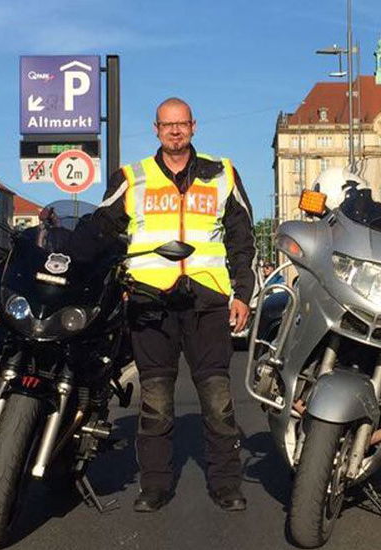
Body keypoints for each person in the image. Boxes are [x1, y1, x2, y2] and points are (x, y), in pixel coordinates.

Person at [90, 97, 256, 513]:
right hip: (151, 302)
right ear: (156, 130)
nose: (175, 131)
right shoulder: (132, 177)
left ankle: (226, 484)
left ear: (194, 126)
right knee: (157, 399)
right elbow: (101, 231)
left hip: (207, 300)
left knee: (217, 398)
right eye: (168, 125)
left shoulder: (223, 173)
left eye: (182, 124)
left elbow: (243, 239)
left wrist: (242, 293)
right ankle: (155, 485)